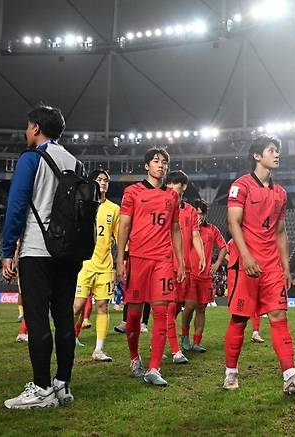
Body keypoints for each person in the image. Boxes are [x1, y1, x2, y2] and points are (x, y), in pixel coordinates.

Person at [222, 135, 295, 394]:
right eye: (272, 150)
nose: (277, 155)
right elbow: (233, 223)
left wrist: (285, 266)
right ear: (257, 156)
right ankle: (231, 373)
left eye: (278, 151)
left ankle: (290, 376)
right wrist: (246, 256)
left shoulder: (281, 193)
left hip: (272, 266)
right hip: (245, 263)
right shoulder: (241, 186)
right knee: (240, 320)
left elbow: (280, 231)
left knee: (279, 317)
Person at [2, 105, 83, 409]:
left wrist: (8, 250)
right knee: (63, 317)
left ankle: (41, 389)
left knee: (36, 320)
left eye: (27, 127)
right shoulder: (76, 163)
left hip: (37, 249)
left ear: (36, 128)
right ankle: (63, 384)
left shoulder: (31, 159)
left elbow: (17, 205)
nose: (26, 132)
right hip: (68, 251)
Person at [115, 147, 185, 387]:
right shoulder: (132, 192)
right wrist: (119, 259)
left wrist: (180, 261)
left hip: (163, 260)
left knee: (161, 312)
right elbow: (123, 227)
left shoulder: (172, 196)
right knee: (133, 316)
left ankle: (154, 367)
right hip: (137, 257)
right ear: (146, 166)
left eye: (164, 162)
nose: (161, 165)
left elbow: (175, 229)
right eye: (156, 161)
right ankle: (134, 357)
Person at [72, 169, 120, 362]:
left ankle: (98, 350)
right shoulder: (81, 204)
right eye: (99, 179)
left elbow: (118, 237)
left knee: (102, 306)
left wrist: (120, 260)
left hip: (105, 265)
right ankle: (70, 339)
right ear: (91, 182)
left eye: (106, 180)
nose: (103, 182)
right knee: (76, 306)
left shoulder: (114, 209)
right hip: (83, 265)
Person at [166, 171, 206, 361]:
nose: (178, 187)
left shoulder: (190, 210)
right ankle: (175, 350)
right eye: (174, 183)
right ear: (168, 185)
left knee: (184, 305)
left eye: (181, 184)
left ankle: (171, 337)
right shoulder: (161, 206)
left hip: (185, 266)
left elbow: (196, 235)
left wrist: (202, 255)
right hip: (166, 263)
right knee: (170, 306)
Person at [180, 199, 227, 352]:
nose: (199, 217)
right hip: (190, 273)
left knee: (201, 309)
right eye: (197, 213)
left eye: (201, 214)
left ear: (205, 214)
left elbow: (224, 248)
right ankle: (185, 336)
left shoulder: (212, 230)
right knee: (189, 306)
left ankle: (196, 342)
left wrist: (216, 264)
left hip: (205, 276)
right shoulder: (187, 229)